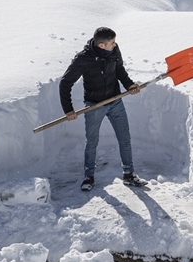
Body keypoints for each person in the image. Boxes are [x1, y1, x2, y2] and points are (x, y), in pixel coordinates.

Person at [59, 27, 147, 191]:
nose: (115, 45)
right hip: (94, 105)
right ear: (101, 45)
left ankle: (129, 174)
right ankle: (89, 177)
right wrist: (68, 109)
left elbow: (119, 69)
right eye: (111, 43)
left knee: (124, 138)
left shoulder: (114, 50)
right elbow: (65, 83)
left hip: (115, 101)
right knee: (92, 141)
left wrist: (129, 85)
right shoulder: (83, 59)